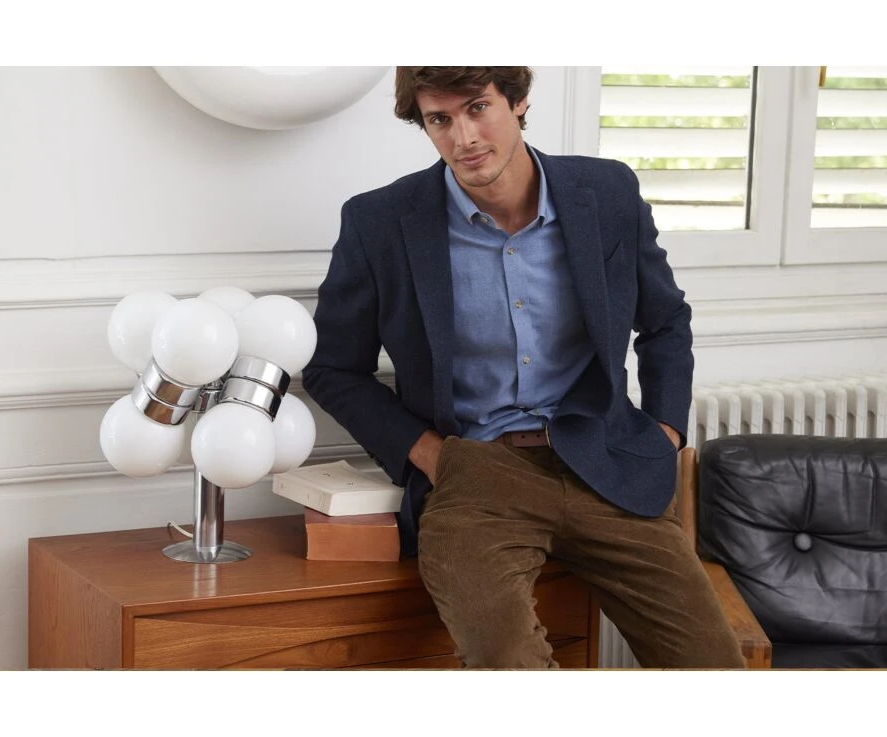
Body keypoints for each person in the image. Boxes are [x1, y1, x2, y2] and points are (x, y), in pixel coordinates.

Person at [302, 66, 745, 669]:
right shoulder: (380, 221)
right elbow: (334, 368)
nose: (463, 137)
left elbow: (665, 319)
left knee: (713, 668)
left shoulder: (606, 192)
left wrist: (664, 434)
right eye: (440, 119)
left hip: (606, 462)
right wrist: (432, 455)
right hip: (476, 474)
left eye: (477, 108)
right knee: (508, 667)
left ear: (518, 101)